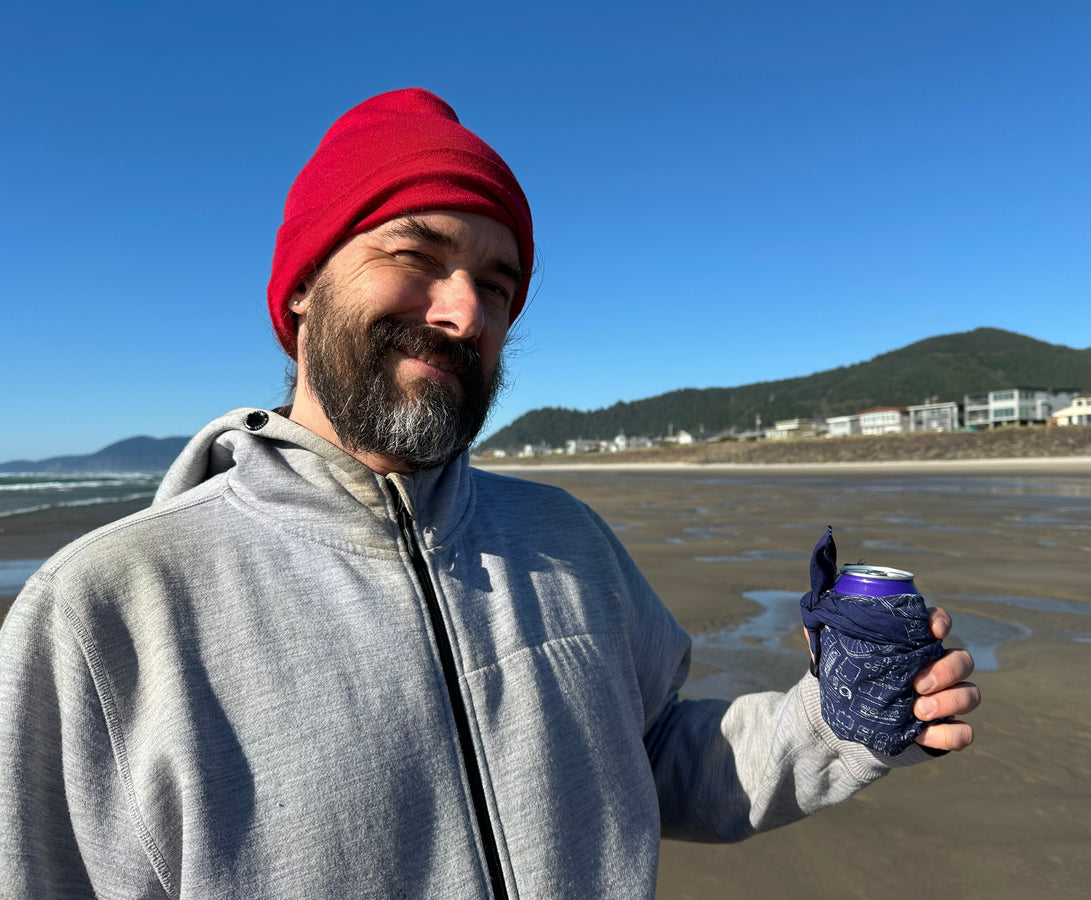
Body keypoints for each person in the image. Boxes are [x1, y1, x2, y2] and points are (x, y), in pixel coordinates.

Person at [0, 88, 979, 898]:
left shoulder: (568, 542)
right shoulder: (103, 616)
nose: (465, 311)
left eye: (498, 284)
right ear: (303, 287)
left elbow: (649, 762)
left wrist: (833, 721)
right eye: (416, 256)